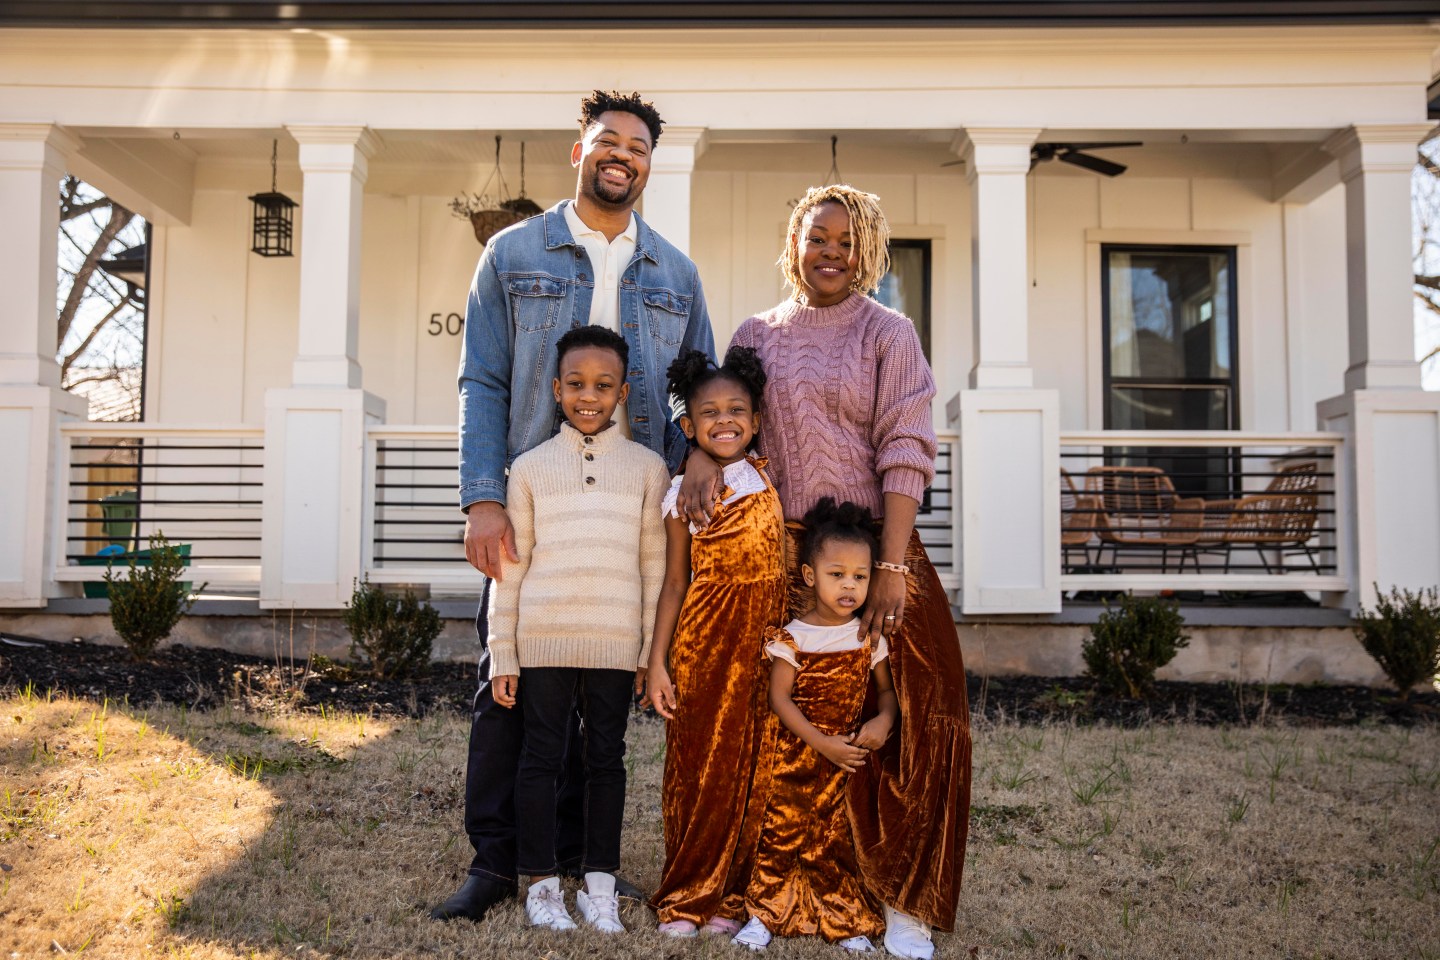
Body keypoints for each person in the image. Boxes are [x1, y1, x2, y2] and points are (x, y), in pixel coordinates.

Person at [434, 89, 715, 923]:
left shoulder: (676, 273)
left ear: (650, 164)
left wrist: (698, 462)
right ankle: (496, 862)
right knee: (509, 682)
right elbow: (483, 379)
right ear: (579, 151)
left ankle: (581, 861)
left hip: (632, 507)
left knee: (600, 700)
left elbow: (694, 388)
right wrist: (484, 498)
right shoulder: (513, 252)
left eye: (637, 145)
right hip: (536, 496)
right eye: (607, 140)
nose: (622, 154)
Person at [682, 184, 970, 960]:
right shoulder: (756, 334)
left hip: (874, 548)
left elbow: (907, 445)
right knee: (773, 721)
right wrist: (695, 457)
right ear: (795, 243)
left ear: (867, 249)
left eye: (846, 241)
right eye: (818, 237)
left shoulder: (890, 332)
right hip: (783, 554)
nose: (831, 252)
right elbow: (726, 417)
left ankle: (900, 896)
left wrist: (892, 564)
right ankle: (768, 886)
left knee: (918, 710)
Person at [488, 325, 669, 933]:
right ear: (557, 389)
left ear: (623, 392)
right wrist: (503, 651)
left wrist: (648, 651)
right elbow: (511, 569)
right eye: (576, 384)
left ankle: (598, 884)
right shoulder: (530, 468)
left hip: (616, 643)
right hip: (543, 640)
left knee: (606, 760)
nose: (588, 396)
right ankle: (541, 886)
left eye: (603, 385)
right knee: (541, 758)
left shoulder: (648, 468)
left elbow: (654, 567)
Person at [647, 346, 787, 937]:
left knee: (752, 769)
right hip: (705, 645)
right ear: (688, 427)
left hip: (763, 649)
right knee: (701, 767)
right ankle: (688, 893)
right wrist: (657, 662)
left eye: (736, 410)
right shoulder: (683, 493)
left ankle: (732, 896)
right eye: (709, 412)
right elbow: (675, 581)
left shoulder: (765, 477)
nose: (724, 420)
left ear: (755, 422)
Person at [731, 498, 898, 953]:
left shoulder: (867, 638)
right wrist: (822, 743)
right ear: (809, 575)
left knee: (835, 840)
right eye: (836, 574)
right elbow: (778, 698)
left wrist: (885, 720)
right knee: (781, 835)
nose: (849, 586)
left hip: (846, 762)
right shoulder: (794, 636)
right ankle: (764, 913)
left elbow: (886, 692)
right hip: (794, 758)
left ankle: (844, 917)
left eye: (860, 577)